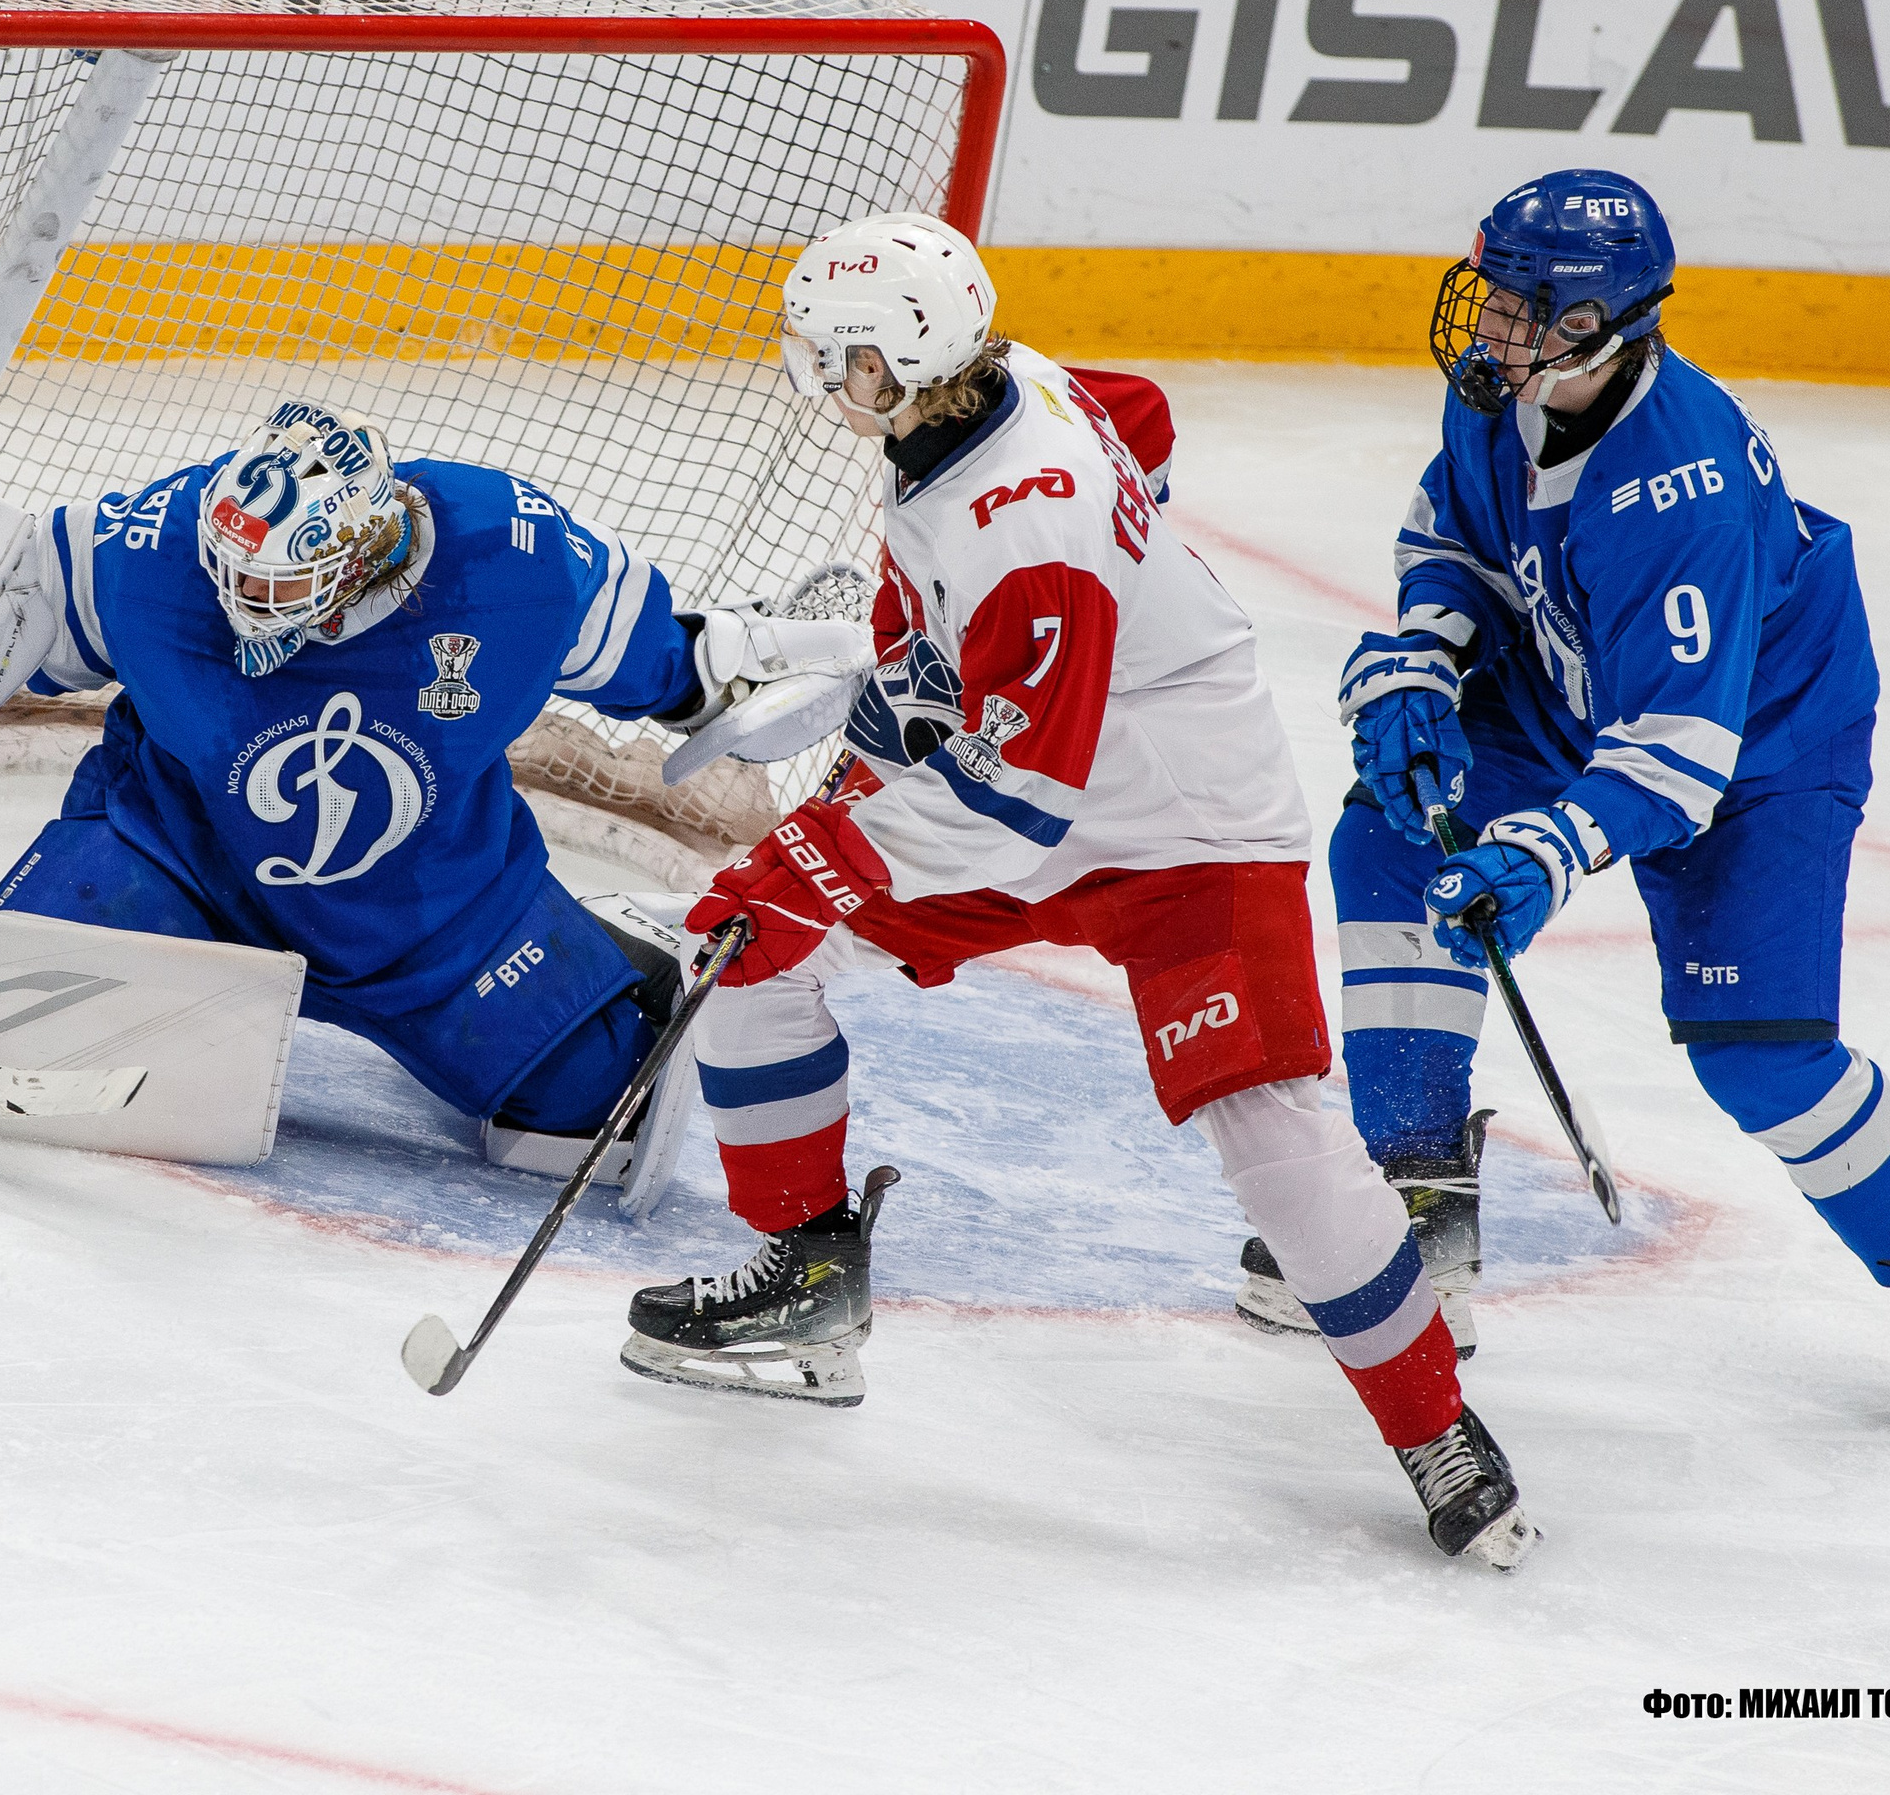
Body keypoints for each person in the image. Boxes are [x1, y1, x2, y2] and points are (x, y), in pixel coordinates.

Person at [621, 212, 1538, 1568]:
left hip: (1183, 820)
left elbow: (1014, 802)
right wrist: (948, 675)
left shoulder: (1025, 530)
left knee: (1270, 1127)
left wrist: (819, 856)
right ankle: (805, 1280)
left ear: (908, 358)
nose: (826, 382)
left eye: (845, 360)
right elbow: (1142, 419)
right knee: (750, 954)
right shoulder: (1004, 386)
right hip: (1047, 768)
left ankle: (1432, 1424)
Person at [1236, 168, 1890, 1447]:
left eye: (1523, 308)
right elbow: (1451, 535)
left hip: (1758, 740)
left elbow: (1678, 751)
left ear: (1600, 325)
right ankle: (1421, 1188)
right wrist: (1422, 663)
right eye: (1487, 294)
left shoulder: (1682, 485)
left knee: (1760, 1060)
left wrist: (1544, 849)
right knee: (1387, 830)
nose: (1487, 326)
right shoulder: (1504, 386)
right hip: (1571, 674)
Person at [0, 397, 868, 1210]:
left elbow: (668, 659)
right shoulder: (157, 547)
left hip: (436, 921)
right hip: (173, 859)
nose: (240, 617)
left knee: (588, 1124)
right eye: (231, 581)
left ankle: (606, 958)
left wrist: (734, 670)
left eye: (276, 592)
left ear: (363, 551)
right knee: (6, 1030)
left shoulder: (515, 557)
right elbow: (29, 586)